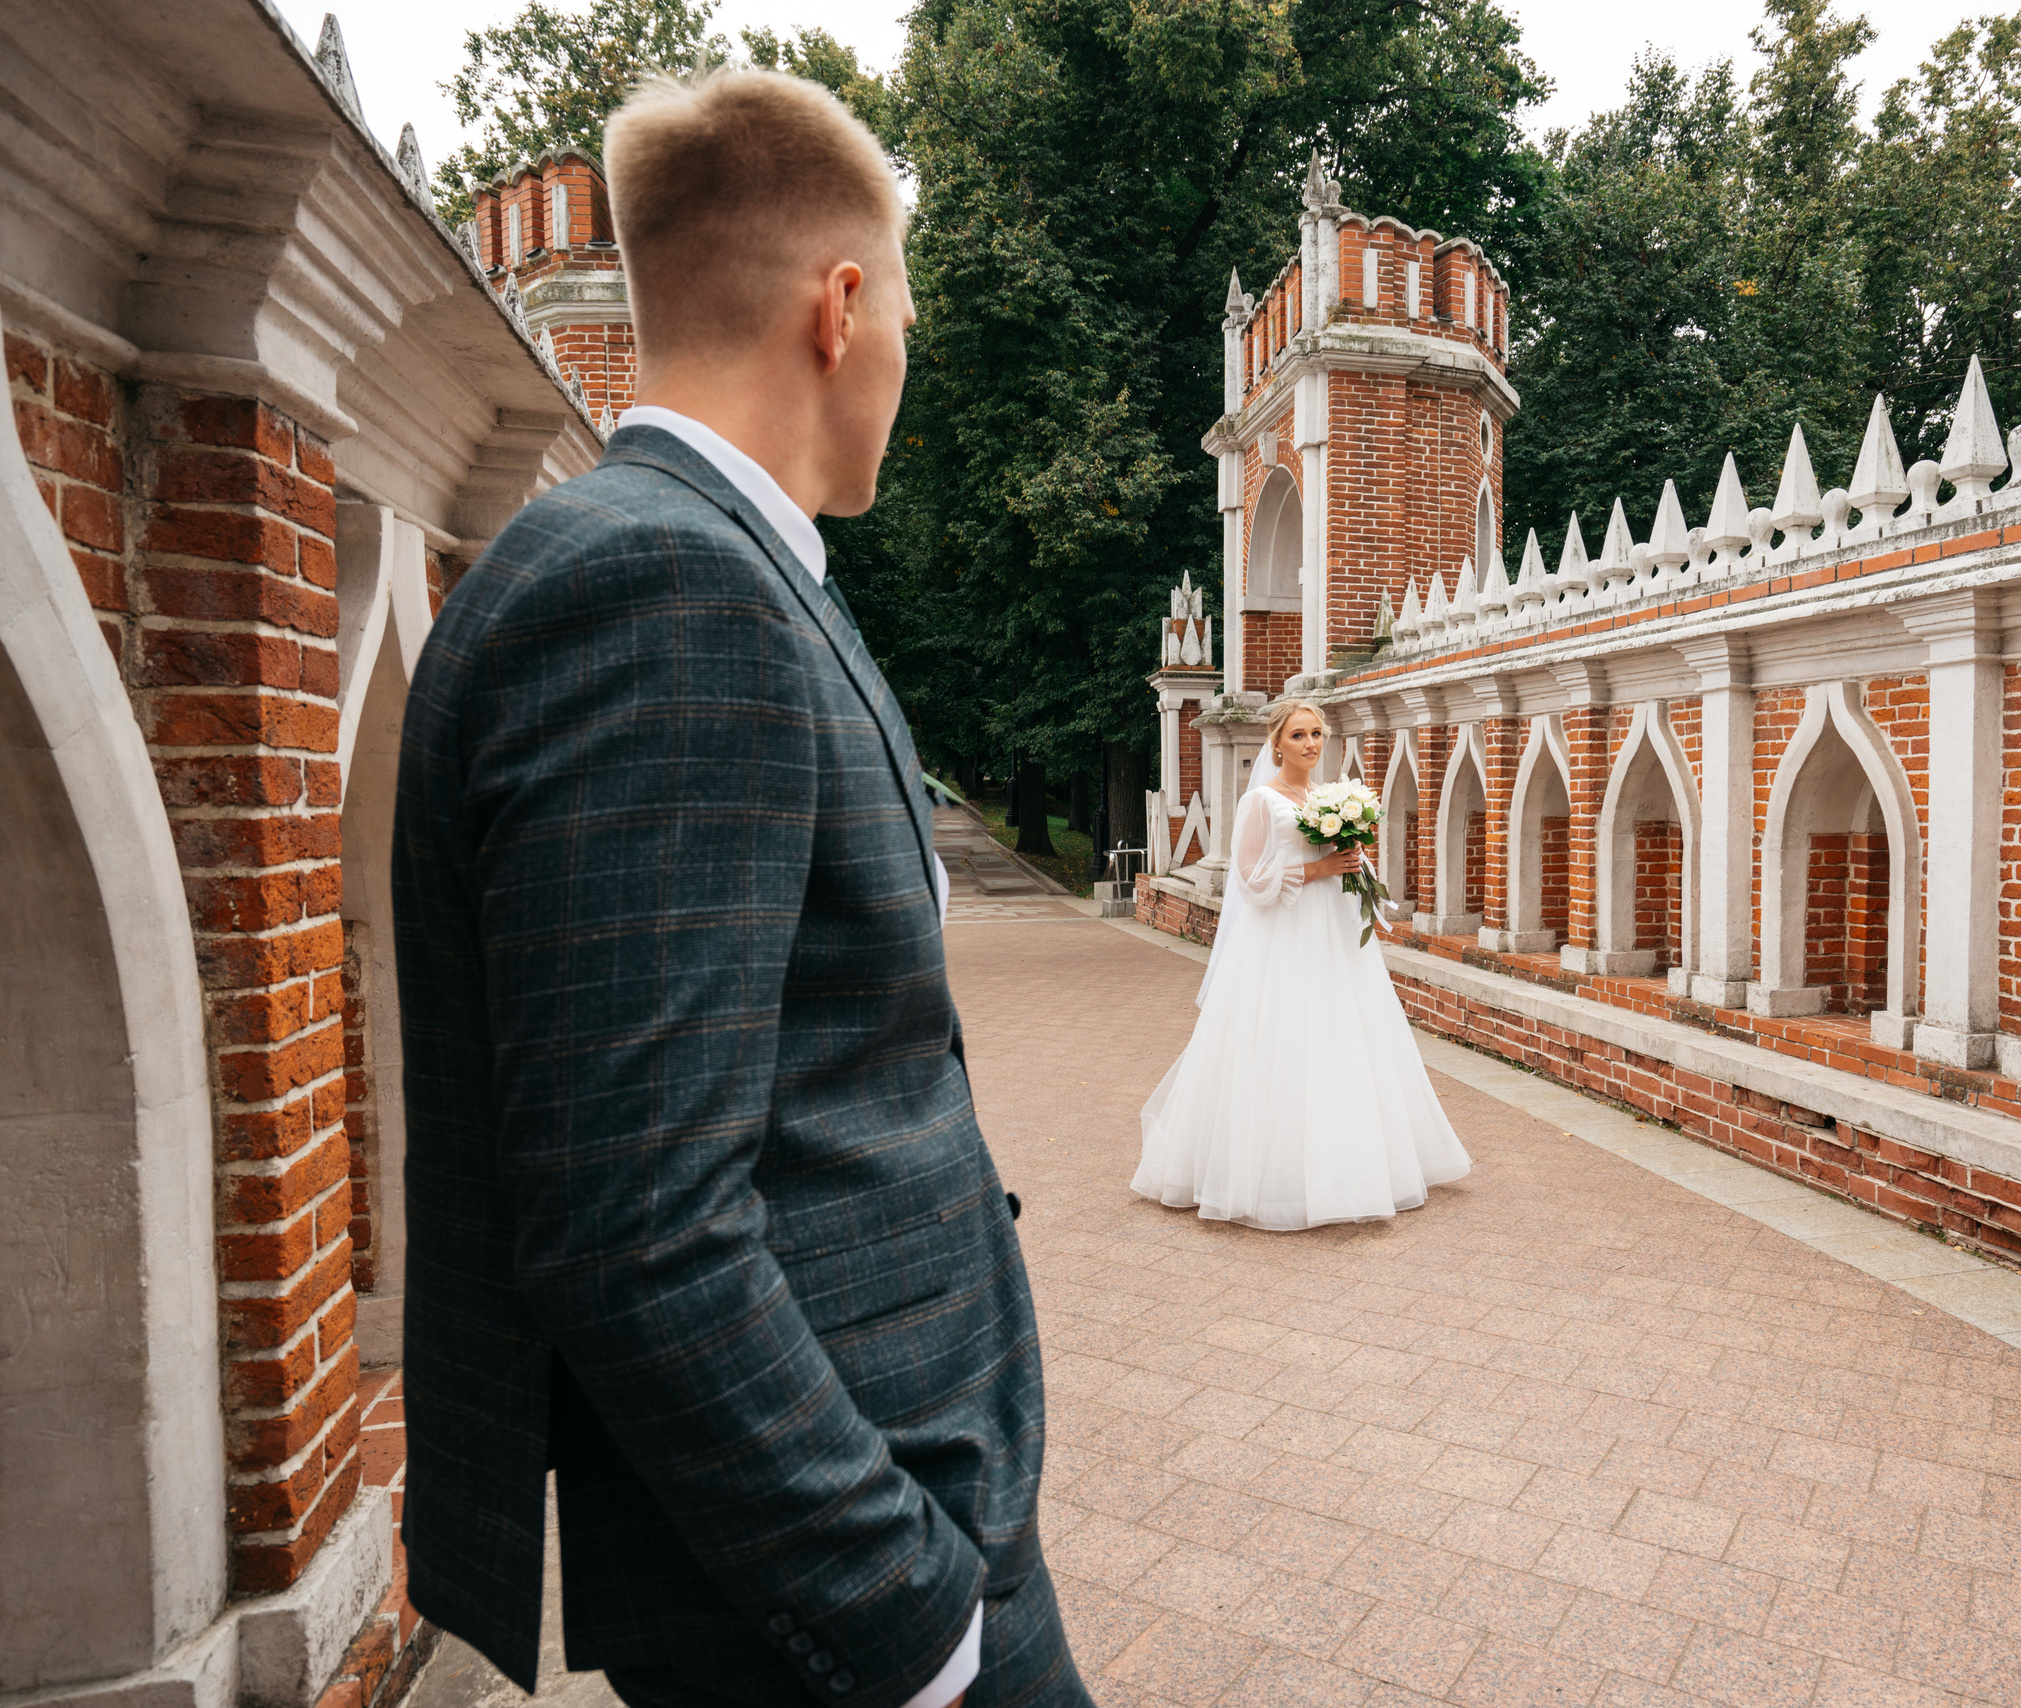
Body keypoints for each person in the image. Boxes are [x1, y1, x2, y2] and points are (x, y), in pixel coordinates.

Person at [392, 68, 1089, 1708]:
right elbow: (637, 1226)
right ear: (839, 307)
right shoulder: (666, 584)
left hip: (889, 1490)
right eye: (906, 307)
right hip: (837, 1571)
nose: (908, 353)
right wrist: (900, 1616)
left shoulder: (705, 557)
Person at [1131, 698, 1473, 1229]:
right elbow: (1249, 877)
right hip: (1284, 933)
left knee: (1343, 1034)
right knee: (1284, 1033)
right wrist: (1318, 871)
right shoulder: (1262, 802)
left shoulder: (1331, 796)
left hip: (1333, 931)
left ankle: (1353, 1163)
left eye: (1316, 734)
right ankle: (1269, 1178)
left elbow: (1338, 859)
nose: (1311, 744)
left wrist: (1353, 861)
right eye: (1298, 736)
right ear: (1276, 744)